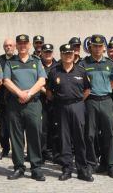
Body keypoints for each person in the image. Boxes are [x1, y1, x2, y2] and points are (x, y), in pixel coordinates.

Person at [2, 34, 47, 181]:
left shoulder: (36, 61)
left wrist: (28, 94)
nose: (22, 46)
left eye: (25, 43)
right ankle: (19, 167)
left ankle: (36, 168)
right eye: (19, 44)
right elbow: (6, 81)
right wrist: (19, 93)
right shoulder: (10, 62)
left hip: (33, 104)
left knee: (35, 135)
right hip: (15, 105)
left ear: (29, 45)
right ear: (17, 45)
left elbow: (41, 81)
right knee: (16, 137)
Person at [46, 44, 92, 182]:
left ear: (74, 54)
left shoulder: (81, 71)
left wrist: (77, 102)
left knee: (80, 138)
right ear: (61, 55)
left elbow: (87, 90)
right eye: (65, 53)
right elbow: (49, 92)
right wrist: (60, 101)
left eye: (70, 53)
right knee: (64, 138)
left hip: (78, 106)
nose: (68, 55)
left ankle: (82, 169)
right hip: (61, 107)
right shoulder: (54, 72)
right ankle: (67, 168)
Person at [83, 34, 113, 178]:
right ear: (90, 47)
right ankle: (91, 163)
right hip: (90, 102)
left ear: (103, 48)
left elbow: (112, 83)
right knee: (90, 135)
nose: (97, 49)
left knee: (109, 134)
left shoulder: (109, 64)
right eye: (94, 46)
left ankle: (110, 165)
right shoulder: (84, 63)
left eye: (100, 46)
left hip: (106, 101)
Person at [0, 38, 16, 159]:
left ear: (14, 47)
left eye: (11, 45)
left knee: (15, 126)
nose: (8, 47)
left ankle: (17, 149)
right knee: (3, 127)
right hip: (2, 98)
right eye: (6, 45)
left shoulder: (18, 59)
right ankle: (5, 148)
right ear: (4, 47)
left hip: (15, 98)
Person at [39, 43, 57, 162]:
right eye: (45, 52)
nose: (48, 54)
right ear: (42, 53)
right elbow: (36, 82)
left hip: (56, 101)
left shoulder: (58, 65)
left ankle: (53, 152)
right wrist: (47, 93)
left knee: (54, 127)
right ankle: (42, 152)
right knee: (42, 128)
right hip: (41, 100)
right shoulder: (38, 65)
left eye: (49, 52)